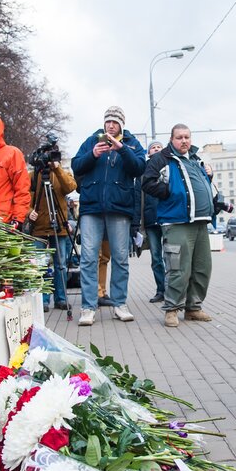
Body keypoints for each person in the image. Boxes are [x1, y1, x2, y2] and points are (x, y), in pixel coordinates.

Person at [71, 106, 145, 326]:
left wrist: (122, 149)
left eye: (115, 122)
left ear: (122, 124)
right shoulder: (92, 140)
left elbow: (139, 167)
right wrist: (93, 154)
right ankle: (88, 307)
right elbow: (76, 165)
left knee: (121, 258)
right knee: (88, 258)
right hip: (92, 207)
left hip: (119, 208)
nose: (110, 125)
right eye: (108, 122)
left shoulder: (131, 143)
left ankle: (120, 304)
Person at [141, 124, 215, 327]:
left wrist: (210, 177)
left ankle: (193, 308)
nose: (184, 141)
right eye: (180, 137)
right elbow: (147, 183)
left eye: (187, 137)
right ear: (171, 139)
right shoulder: (161, 159)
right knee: (178, 268)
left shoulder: (196, 159)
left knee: (202, 268)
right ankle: (172, 309)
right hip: (176, 221)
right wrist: (170, 192)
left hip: (200, 221)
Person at [26, 160, 77, 312]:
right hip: (38, 228)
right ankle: (41, 300)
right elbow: (22, 197)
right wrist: (28, 212)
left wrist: (58, 168)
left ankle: (61, 299)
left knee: (61, 265)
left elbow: (71, 187)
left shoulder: (61, 174)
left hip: (59, 227)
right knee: (39, 266)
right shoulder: (32, 176)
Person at [135, 141, 167, 303]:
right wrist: (137, 224)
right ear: (148, 153)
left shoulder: (169, 166)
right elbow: (138, 197)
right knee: (156, 257)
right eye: (153, 147)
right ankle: (161, 290)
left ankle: (173, 290)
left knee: (171, 256)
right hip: (151, 220)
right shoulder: (143, 171)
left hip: (168, 218)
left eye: (159, 147)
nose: (156, 149)